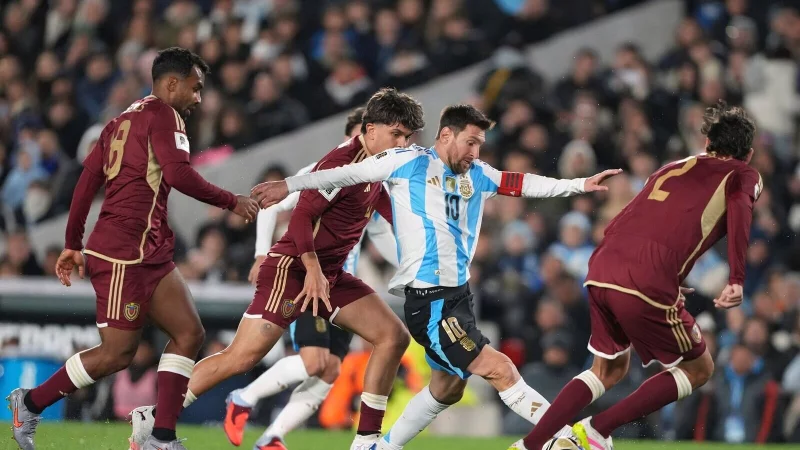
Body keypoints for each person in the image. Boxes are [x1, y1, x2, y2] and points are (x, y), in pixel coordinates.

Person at [252, 104, 619, 450]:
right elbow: (348, 172)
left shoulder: (478, 174)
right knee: (501, 369)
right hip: (430, 302)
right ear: (446, 136)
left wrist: (578, 185)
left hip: (457, 297)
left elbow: (522, 182)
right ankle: (564, 438)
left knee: (447, 388)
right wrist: (291, 185)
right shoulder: (408, 161)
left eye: (480, 144)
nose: (476, 151)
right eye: (471, 142)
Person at [130, 88, 425, 450]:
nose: (402, 143)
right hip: (293, 269)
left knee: (392, 337)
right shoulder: (341, 164)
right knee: (241, 357)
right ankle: (156, 417)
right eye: (396, 134)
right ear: (371, 129)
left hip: (330, 274)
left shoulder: (379, 166)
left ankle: (366, 440)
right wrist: (312, 268)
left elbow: (380, 203)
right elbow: (300, 217)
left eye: (407, 137)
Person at [7, 47, 259, 450]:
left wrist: (73, 243)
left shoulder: (122, 119)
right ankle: (31, 403)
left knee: (189, 332)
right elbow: (178, 174)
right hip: (123, 253)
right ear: (171, 84)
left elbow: (88, 181)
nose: (198, 98)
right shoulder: (166, 115)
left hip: (150, 251)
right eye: (195, 89)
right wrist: (233, 201)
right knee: (116, 355)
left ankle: (162, 435)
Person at [509, 101, 761, 450]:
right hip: (645, 277)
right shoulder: (743, 174)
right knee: (699, 368)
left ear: (707, 144)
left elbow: (643, 217)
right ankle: (596, 430)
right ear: (747, 154)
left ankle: (528, 446)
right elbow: (741, 213)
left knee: (607, 370)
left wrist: (663, 271)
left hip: (603, 265)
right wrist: (736, 277)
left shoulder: (673, 166)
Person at [228, 107, 399, 450]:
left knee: (331, 369)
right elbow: (273, 205)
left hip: (341, 286)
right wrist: (262, 253)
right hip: (308, 278)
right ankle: (244, 396)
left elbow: (384, 235)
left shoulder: (374, 181)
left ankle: (271, 437)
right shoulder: (326, 170)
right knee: (314, 361)